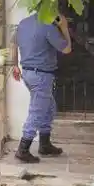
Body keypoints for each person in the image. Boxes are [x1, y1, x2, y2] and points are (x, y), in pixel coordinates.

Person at [12, 11, 72, 163]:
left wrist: (15, 65)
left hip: (28, 73)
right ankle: (23, 149)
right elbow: (66, 49)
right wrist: (64, 27)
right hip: (41, 76)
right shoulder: (47, 25)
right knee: (37, 111)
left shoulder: (23, 23)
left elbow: (13, 42)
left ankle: (45, 144)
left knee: (49, 107)